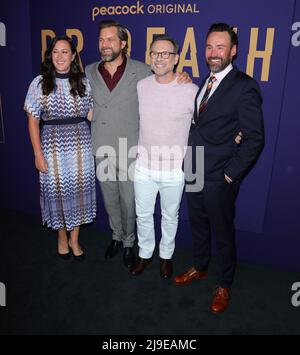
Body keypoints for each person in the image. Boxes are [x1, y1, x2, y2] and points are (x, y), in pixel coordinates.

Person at [173, 23, 264, 313]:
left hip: (219, 176)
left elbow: (255, 137)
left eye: (220, 47)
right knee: (198, 224)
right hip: (195, 168)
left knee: (223, 233)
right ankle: (200, 266)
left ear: (233, 51)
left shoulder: (245, 86)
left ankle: (224, 284)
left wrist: (230, 173)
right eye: (210, 47)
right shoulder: (205, 81)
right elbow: (202, 123)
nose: (214, 52)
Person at [85, 20, 190, 269]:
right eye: (101, 39)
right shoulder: (89, 71)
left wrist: (183, 76)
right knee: (110, 199)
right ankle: (116, 236)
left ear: (123, 43)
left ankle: (130, 243)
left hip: (131, 149)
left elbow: (167, 82)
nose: (105, 44)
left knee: (130, 201)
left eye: (111, 39)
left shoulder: (142, 71)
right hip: (102, 147)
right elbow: (83, 103)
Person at [130, 35, 198, 279]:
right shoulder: (141, 86)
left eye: (165, 53)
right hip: (143, 167)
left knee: (171, 216)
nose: (159, 58)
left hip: (173, 170)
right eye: (154, 53)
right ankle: (145, 254)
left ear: (176, 58)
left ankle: (166, 256)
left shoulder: (191, 90)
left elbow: (204, 126)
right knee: (143, 214)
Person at [24, 35, 96, 260]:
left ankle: (75, 240)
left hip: (81, 146)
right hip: (52, 146)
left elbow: (92, 114)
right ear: (50, 55)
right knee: (57, 194)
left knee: (79, 193)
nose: (60, 56)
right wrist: (37, 154)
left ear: (74, 55)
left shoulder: (84, 82)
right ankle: (61, 237)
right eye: (56, 51)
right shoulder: (39, 83)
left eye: (65, 51)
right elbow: (33, 121)